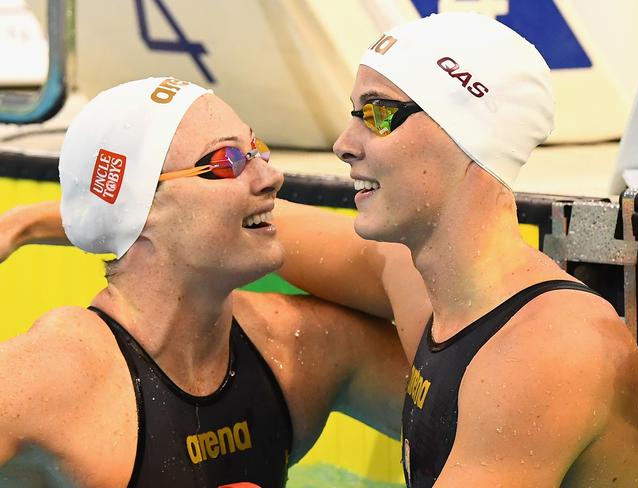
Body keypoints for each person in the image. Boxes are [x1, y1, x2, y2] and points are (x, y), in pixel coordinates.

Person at [275, 12, 638, 487]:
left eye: (377, 113)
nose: (343, 144)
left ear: (468, 136)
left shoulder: (544, 352)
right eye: (354, 114)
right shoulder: (439, 291)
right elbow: (259, 228)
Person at [0, 77, 408, 488]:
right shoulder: (48, 380)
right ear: (143, 207)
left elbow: (462, 415)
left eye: (257, 150)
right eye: (227, 160)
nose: (271, 177)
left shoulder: (302, 349)